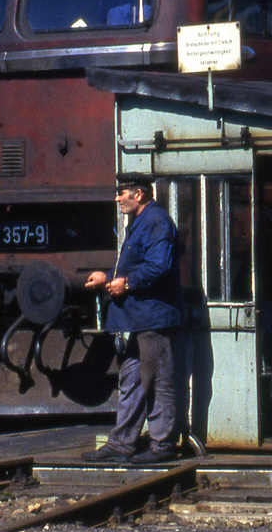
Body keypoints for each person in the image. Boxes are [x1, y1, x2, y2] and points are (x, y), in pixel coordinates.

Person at [80, 174, 202, 463]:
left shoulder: (157, 221)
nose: (117, 198)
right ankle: (122, 443)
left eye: (122, 193)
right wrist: (108, 277)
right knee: (132, 379)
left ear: (139, 194)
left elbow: (159, 266)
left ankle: (163, 446)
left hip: (155, 319)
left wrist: (127, 283)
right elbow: (136, 265)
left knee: (160, 380)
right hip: (139, 319)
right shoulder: (141, 222)